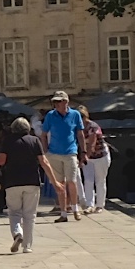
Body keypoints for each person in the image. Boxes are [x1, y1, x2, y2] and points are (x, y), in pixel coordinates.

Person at [0, 116, 47, 253]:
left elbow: (1, 161)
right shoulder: (34, 140)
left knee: (14, 212)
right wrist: (55, 181)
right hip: (32, 181)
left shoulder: (7, 141)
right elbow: (43, 161)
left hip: (12, 181)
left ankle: (17, 233)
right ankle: (27, 246)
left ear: (13, 129)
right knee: (30, 215)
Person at [41, 91, 84, 222]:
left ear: (66, 102)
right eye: (55, 102)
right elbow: (43, 134)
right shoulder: (50, 115)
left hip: (70, 152)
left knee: (72, 181)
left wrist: (84, 152)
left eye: (59, 101)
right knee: (59, 184)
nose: (57, 104)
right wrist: (45, 151)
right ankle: (63, 212)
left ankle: (75, 208)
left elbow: (80, 134)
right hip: (54, 153)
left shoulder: (75, 115)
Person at [79, 117, 112, 213]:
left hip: (100, 156)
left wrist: (84, 158)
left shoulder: (92, 127)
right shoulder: (76, 127)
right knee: (88, 180)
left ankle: (100, 205)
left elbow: (91, 144)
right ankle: (89, 205)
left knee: (100, 181)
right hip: (88, 157)